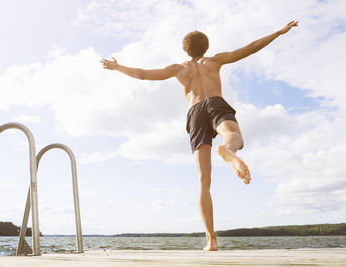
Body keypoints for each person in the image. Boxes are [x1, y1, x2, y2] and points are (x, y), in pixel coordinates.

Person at [101, 20, 298, 251]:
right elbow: (251, 47)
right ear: (206, 47)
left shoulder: (178, 69)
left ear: (185, 50)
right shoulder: (214, 60)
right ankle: (228, 150)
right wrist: (279, 31)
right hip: (215, 103)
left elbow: (145, 75)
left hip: (194, 113)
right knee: (233, 135)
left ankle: (211, 241)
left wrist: (118, 67)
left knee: (203, 181)